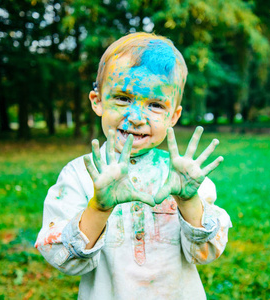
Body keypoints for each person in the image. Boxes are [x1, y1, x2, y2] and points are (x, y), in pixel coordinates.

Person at [35, 32, 232, 299]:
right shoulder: (79, 175)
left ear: (173, 116)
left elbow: (206, 252)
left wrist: (187, 200)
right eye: (123, 99)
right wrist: (98, 208)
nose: (136, 117)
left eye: (154, 104)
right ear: (97, 101)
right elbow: (62, 259)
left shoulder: (182, 176)